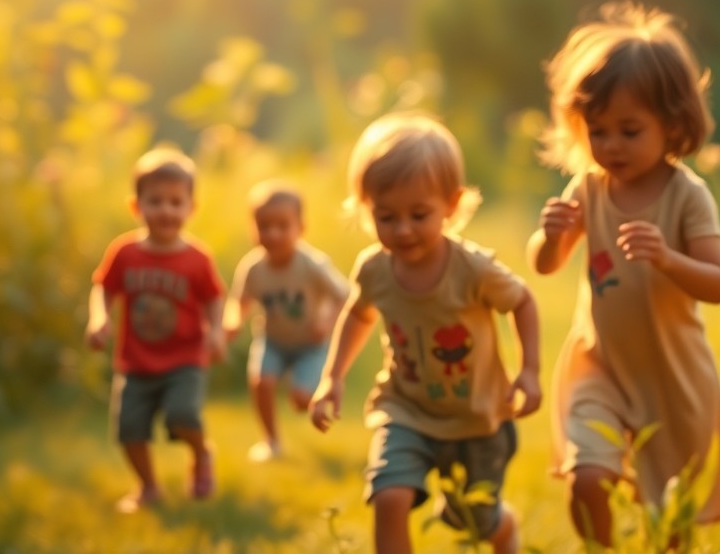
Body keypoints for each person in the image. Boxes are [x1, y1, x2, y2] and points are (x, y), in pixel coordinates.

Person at [527, 0, 720, 548]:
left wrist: (668, 258)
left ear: (672, 125)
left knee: (672, 516)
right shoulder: (589, 188)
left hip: (672, 377)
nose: (610, 146)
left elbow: (718, 283)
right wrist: (550, 235)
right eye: (598, 131)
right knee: (586, 477)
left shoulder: (687, 196)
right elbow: (547, 265)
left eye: (629, 130)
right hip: (601, 364)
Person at [309, 112, 542, 554]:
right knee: (389, 495)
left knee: (472, 519)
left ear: (451, 205)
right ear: (366, 209)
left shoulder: (472, 268)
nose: (402, 230)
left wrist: (529, 371)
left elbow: (523, 301)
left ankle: (503, 528)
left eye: (419, 214)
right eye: (386, 216)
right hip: (405, 409)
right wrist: (333, 377)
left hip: (477, 418)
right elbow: (358, 315)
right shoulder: (375, 269)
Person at [85, 146, 227, 513]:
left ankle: (200, 452)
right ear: (137, 206)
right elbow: (103, 286)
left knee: (183, 417)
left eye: (176, 202)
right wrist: (99, 317)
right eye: (156, 201)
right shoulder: (124, 253)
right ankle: (148, 488)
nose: (166, 210)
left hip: (185, 359)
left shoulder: (197, 259)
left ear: (191, 208)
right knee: (129, 430)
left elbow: (214, 298)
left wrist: (216, 330)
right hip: (135, 362)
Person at [224, 180, 349, 463]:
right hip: (274, 340)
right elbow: (239, 302)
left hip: (311, 343)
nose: (273, 234)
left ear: (300, 228)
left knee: (301, 399)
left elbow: (345, 297)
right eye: (264, 226)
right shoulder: (254, 267)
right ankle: (270, 441)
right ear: (252, 228)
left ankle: (307, 397)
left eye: (283, 226)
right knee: (261, 382)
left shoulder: (312, 264)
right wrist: (231, 324)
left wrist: (327, 323)